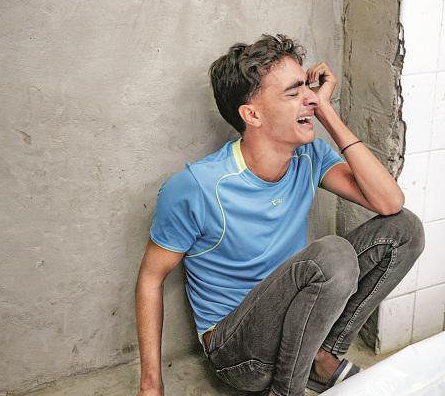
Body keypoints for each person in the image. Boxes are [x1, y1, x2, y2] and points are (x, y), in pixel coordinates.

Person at [135, 34, 424, 396]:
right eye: (293, 93)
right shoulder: (197, 187)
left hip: (299, 328)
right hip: (239, 353)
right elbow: (150, 279)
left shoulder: (310, 156)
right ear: (252, 114)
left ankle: (321, 360)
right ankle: (286, 390)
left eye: (307, 86)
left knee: (404, 230)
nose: (309, 98)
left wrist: (328, 113)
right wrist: (151, 386)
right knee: (331, 255)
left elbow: (389, 203)